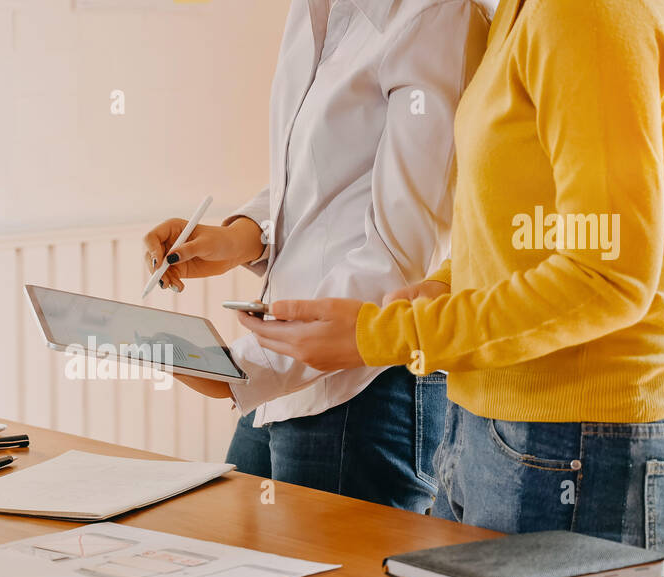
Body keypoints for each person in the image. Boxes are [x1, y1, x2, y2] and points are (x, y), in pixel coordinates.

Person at [238, 0, 664, 573]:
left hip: (579, 452)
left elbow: (606, 278)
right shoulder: (522, 13)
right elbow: (521, 227)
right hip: (498, 436)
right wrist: (441, 285)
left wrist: (386, 334)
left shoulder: (586, 12)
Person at [143, 0, 491, 513]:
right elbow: (316, 174)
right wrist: (243, 235)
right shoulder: (313, 11)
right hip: (286, 376)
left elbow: (405, 254)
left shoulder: (437, 15)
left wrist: (240, 369)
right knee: (244, 570)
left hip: (366, 389)